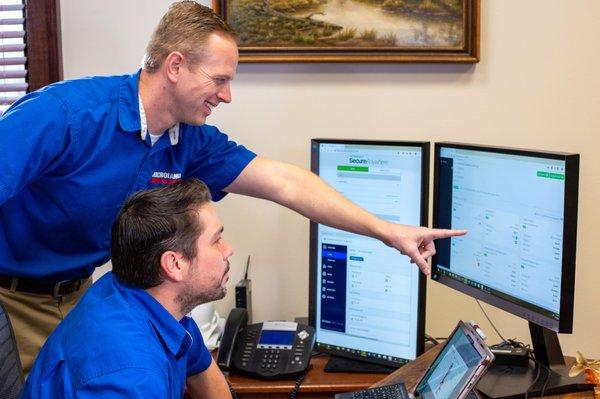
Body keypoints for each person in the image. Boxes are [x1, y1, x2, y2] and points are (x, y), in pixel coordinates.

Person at [0, 1, 465, 374]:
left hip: (80, 292)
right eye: (219, 79)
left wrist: (386, 230)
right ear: (176, 66)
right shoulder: (65, 115)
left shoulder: (190, 140)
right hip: (10, 297)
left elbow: (286, 183)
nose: (226, 95)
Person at [21, 179, 233, 398]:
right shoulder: (130, 378)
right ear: (174, 264)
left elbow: (201, 370)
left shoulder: (143, 297)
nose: (228, 250)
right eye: (217, 240)